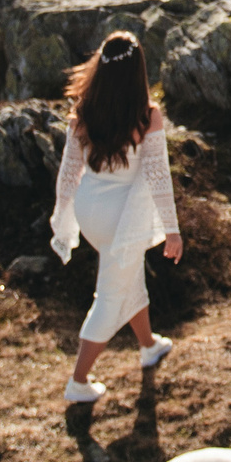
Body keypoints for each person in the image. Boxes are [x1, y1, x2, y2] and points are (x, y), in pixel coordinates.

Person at [47, 30, 182, 404]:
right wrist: (172, 231)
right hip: (123, 217)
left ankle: (149, 345)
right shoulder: (147, 115)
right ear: (139, 71)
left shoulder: (84, 112)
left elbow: (68, 171)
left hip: (90, 210)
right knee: (110, 295)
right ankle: (79, 381)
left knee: (126, 274)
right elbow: (158, 176)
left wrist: (63, 212)